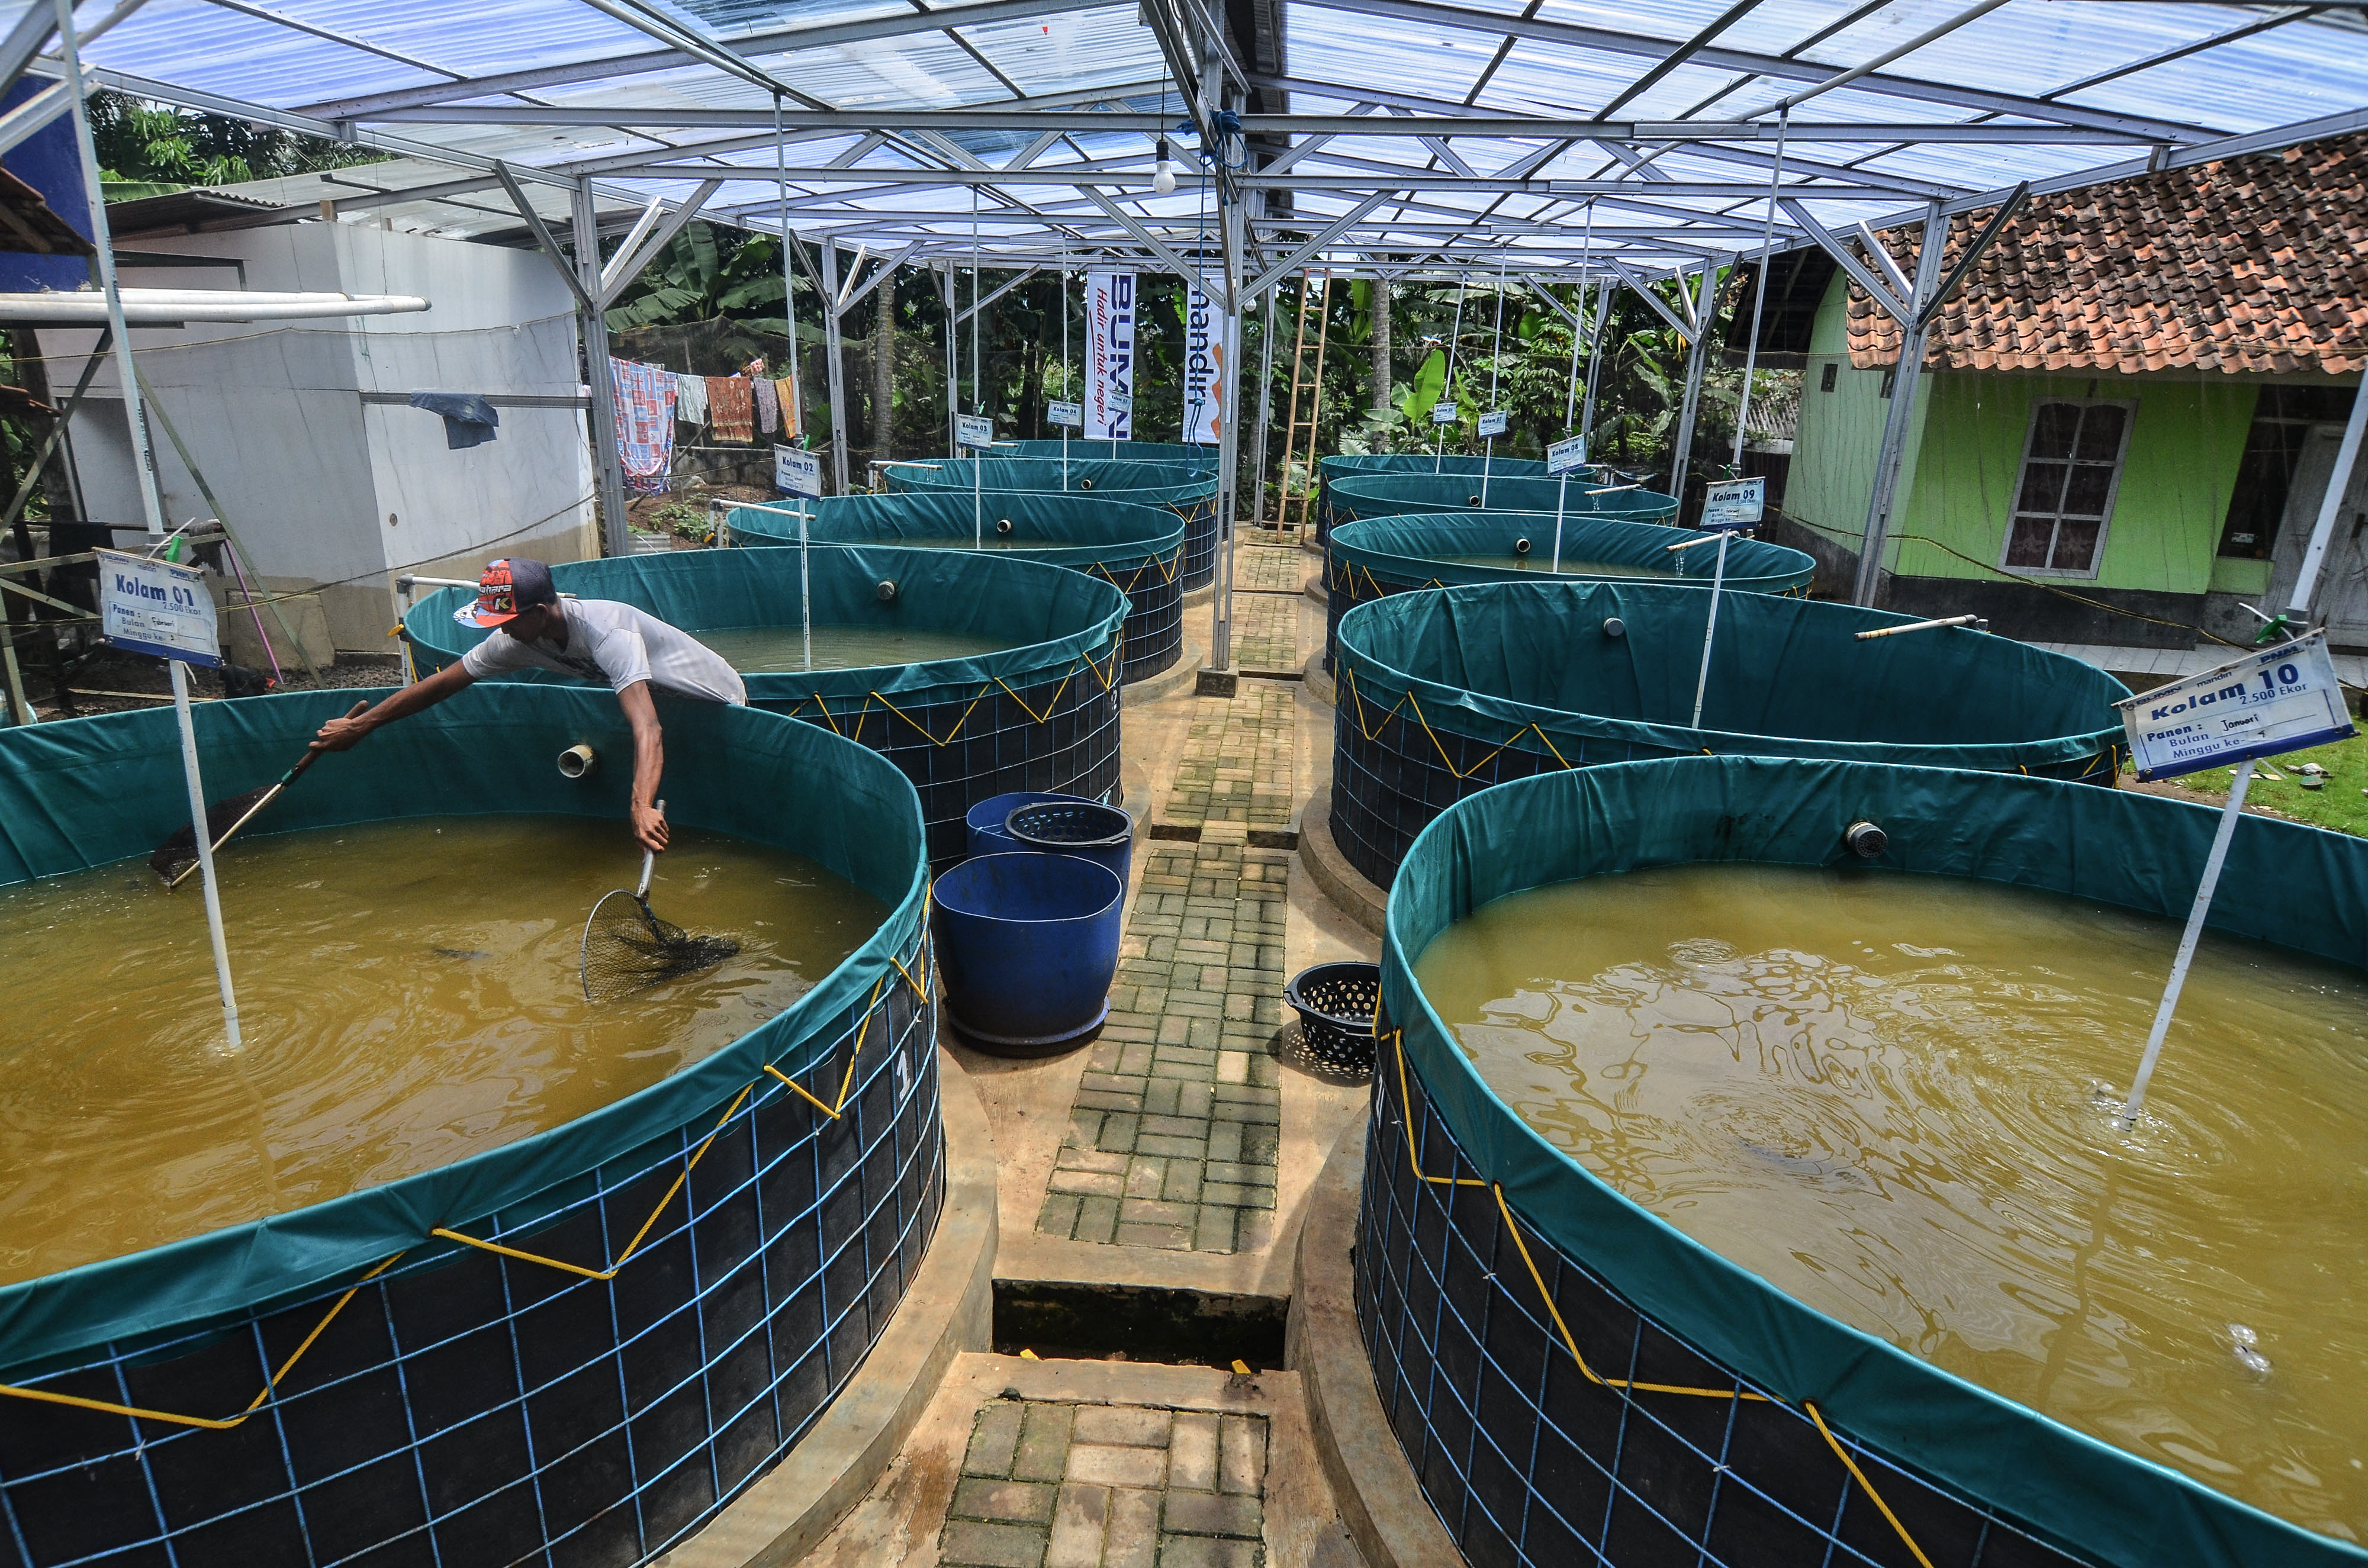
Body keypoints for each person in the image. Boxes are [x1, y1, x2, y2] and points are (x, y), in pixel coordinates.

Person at [312, 558, 745, 853]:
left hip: (719, 702)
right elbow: (440, 685)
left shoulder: (609, 633)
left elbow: (648, 730)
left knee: (719, 823)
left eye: (506, 621)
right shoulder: (515, 640)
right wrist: (362, 726)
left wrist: (638, 805)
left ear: (540, 612)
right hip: (665, 706)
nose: (500, 632)